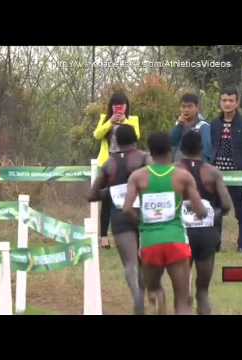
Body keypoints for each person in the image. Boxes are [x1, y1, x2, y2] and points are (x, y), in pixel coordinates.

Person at [123, 132, 207, 315]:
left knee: (153, 288)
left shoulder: (138, 177)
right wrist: (203, 212)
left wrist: (143, 222)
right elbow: (200, 210)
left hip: (150, 241)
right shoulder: (182, 176)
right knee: (183, 300)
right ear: (171, 150)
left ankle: (158, 298)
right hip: (176, 240)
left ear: (150, 152)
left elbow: (127, 209)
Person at [88, 125, 151, 314]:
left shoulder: (109, 163)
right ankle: (144, 292)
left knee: (131, 263)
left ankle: (137, 297)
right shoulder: (144, 158)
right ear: (134, 139)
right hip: (145, 214)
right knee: (147, 260)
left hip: (120, 217)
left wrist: (111, 192)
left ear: (116, 142)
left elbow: (92, 195)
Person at [177, 131, 231, 314]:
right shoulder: (212, 172)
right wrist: (211, 215)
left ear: (181, 148)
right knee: (203, 292)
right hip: (206, 233)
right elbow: (226, 205)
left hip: (180, 232)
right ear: (201, 148)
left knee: (182, 292)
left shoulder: (173, 171)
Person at [93, 92, 140, 249]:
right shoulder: (104, 118)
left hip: (127, 165)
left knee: (129, 199)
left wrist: (124, 121)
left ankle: (130, 234)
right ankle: (104, 237)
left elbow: (136, 137)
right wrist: (110, 122)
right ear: (111, 107)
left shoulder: (133, 120)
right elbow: (97, 135)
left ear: (126, 106)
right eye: (115, 106)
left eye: (121, 106)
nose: (118, 109)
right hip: (109, 163)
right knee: (106, 200)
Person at [210, 87, 242, 252]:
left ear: (237, 103)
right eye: (224, 100)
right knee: (215, 211)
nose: (227, 104)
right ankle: (214, 245)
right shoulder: (214, 124)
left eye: (231, 100)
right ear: (220, 102)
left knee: (241, 211)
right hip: (217, 174)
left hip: (237, 175)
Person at [171, 93, 212, 163]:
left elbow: (206, 151)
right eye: (183, 107)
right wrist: (179, 126)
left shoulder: (203, 126)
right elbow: (172, 143)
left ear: (197, 108)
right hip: (178, 167)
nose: (186, 110)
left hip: (196, 167)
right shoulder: (179, 125)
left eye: (190, 106)